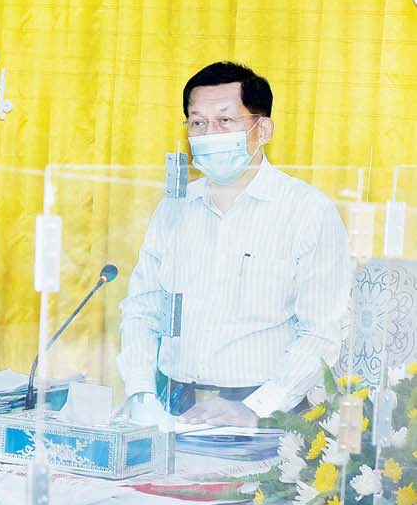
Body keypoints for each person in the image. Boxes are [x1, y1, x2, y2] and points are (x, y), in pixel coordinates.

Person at [119, 62, 352, 427]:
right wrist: (141, 393)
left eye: (225, 120)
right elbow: (142, 308)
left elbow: (322, 333)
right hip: (171, 404)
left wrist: (255, 409)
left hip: (263, 411)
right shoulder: (175, 207)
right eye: (198, 123)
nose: (209, 133)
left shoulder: (307, 211)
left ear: (263, 129)